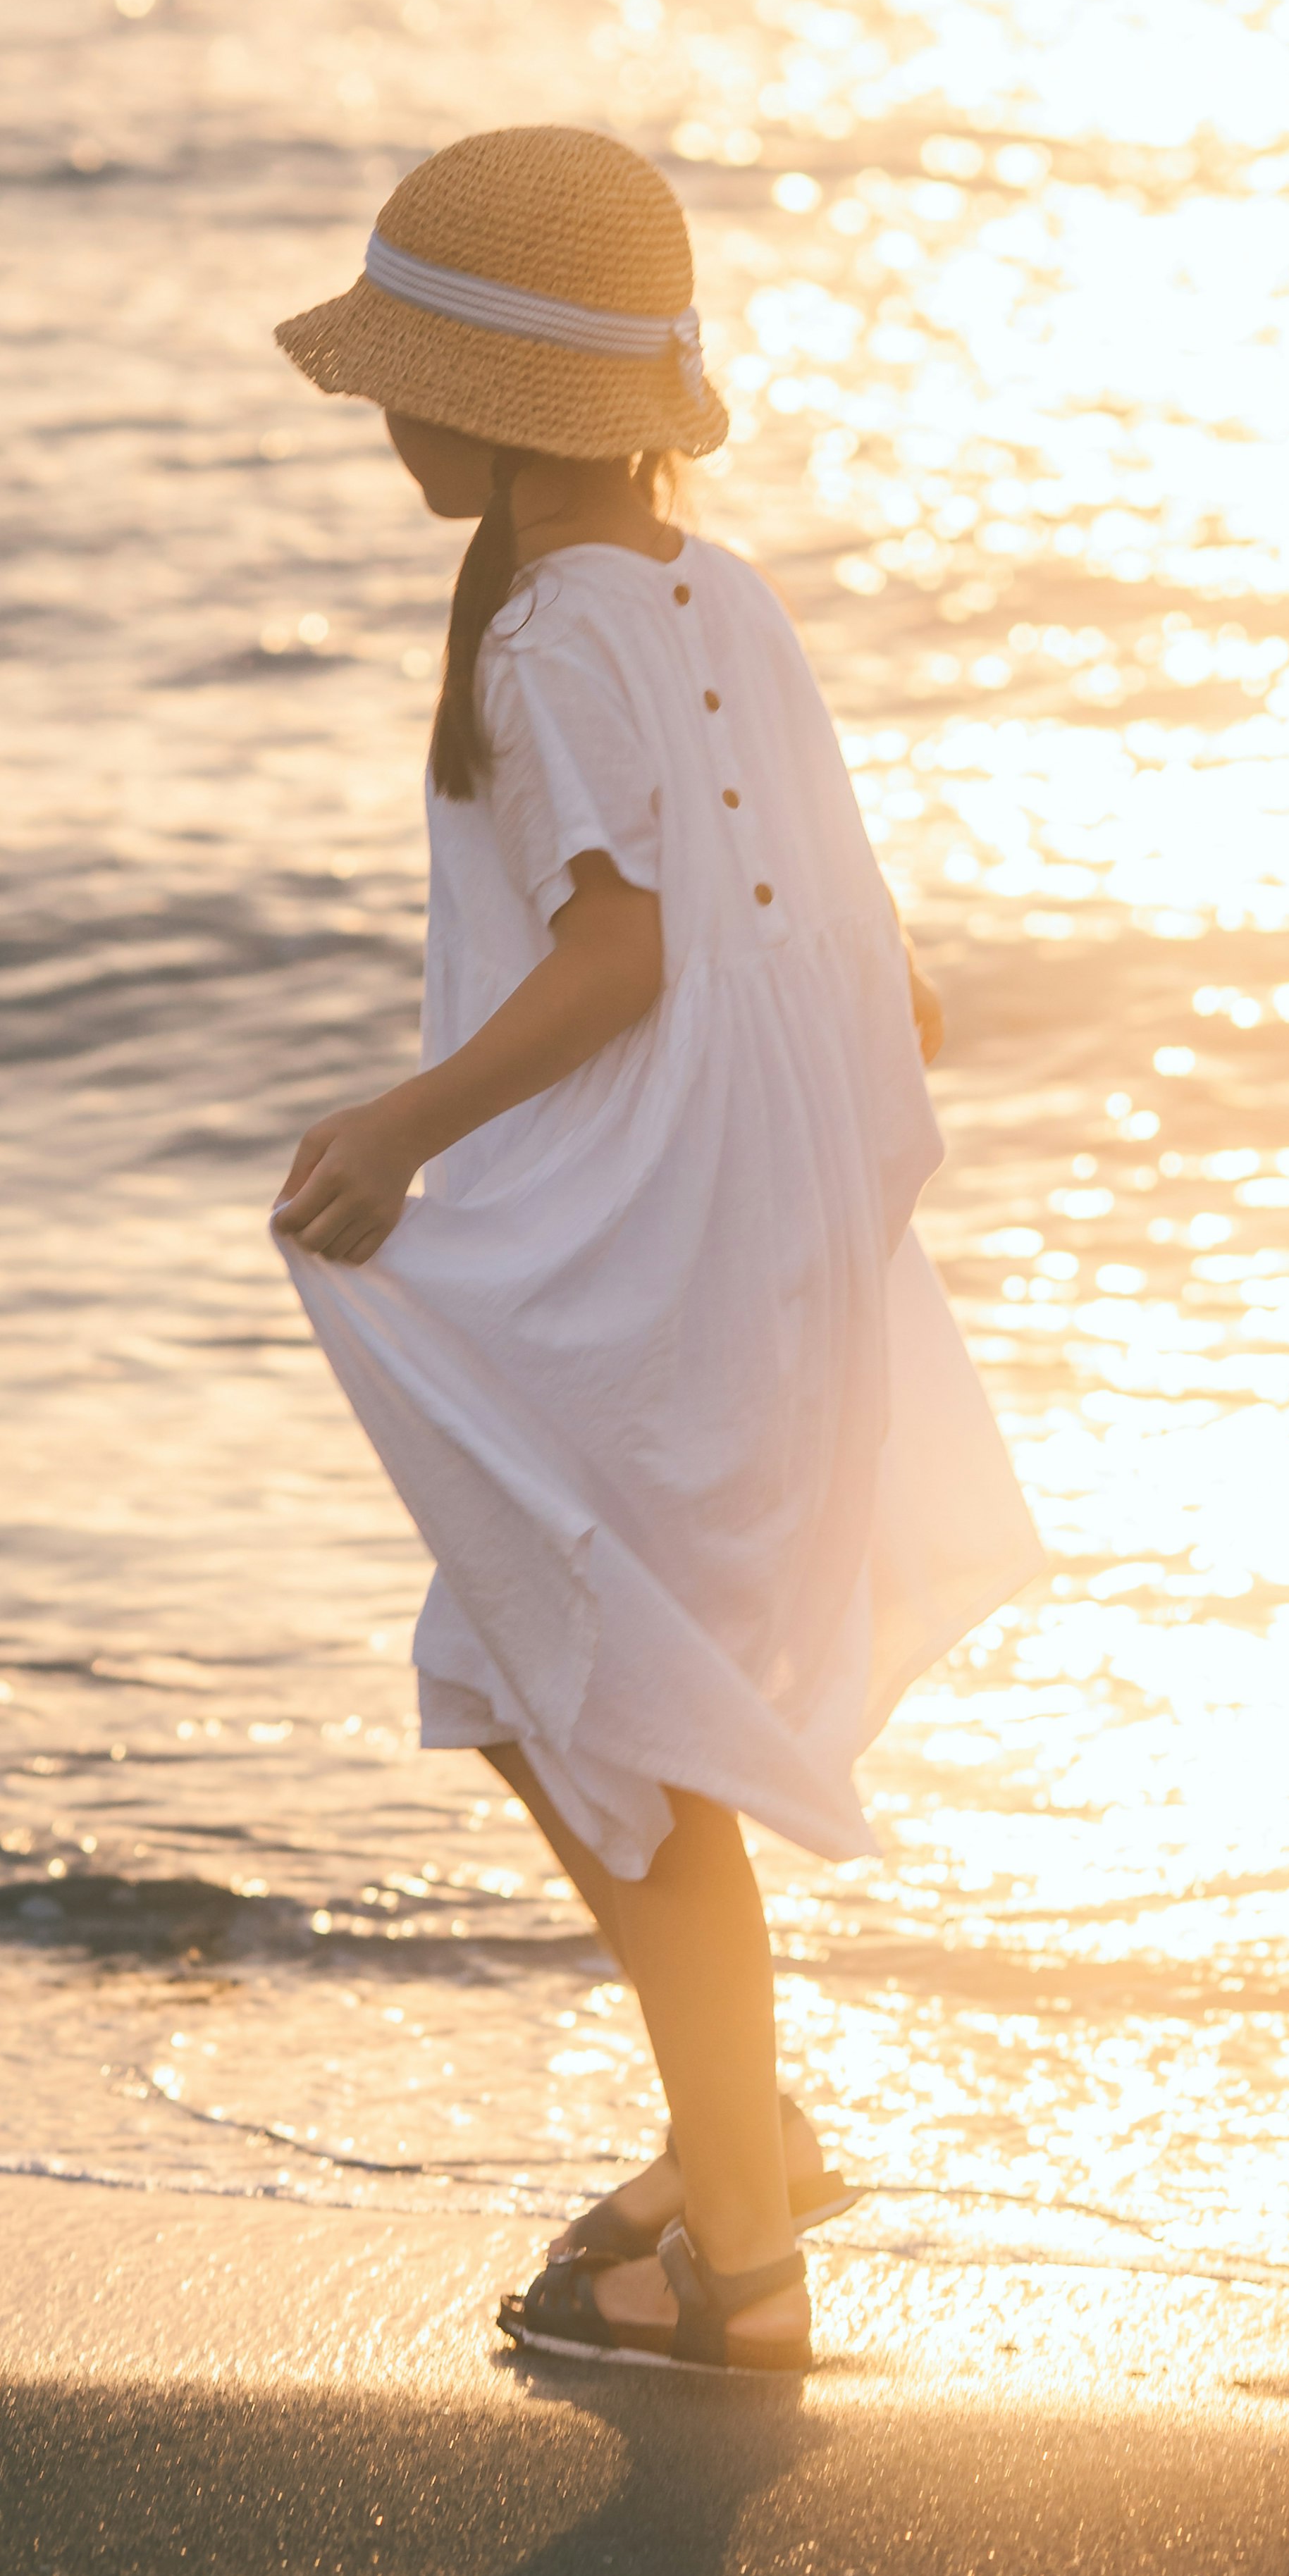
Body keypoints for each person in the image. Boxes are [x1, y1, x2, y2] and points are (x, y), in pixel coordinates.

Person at [269, 124, 1042, 2375]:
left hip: (648, 1245)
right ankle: (740, 2150)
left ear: (490, 396)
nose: (386, 415)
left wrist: (401, 1128)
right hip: (753, 1240)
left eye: (409, 375)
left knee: (588, 1694)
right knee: (571, 1687)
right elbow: (888, 981)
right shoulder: (723, 600)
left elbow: (622, 958)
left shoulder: (545, 639)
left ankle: (749, 2249)